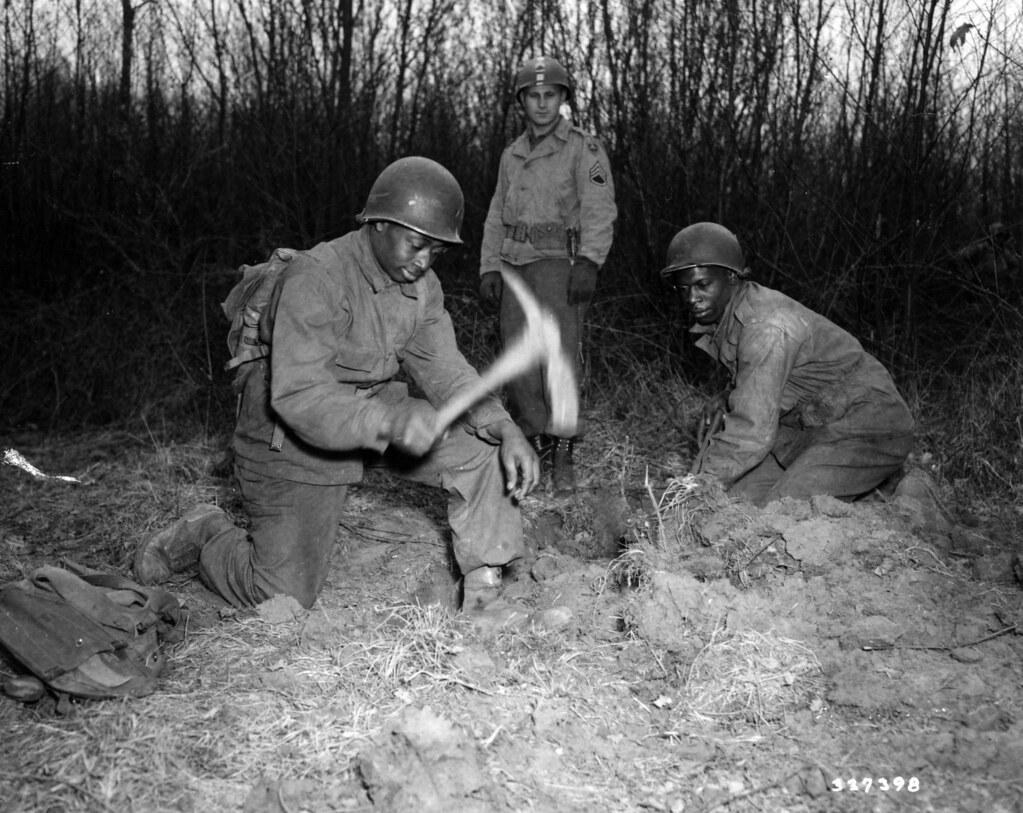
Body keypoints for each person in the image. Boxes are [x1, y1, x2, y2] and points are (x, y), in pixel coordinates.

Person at [135, 157, 539, 621]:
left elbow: (446, 369)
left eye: (436, 251)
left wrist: (504, 427)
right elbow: (300, 395)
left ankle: (485, 600)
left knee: (480, 448)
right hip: (288, 429)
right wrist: (390, 422)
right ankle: (206, 533)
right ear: (379, 225)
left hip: (368, 410)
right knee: (282, 597)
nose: (425, 260)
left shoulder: (423, 287)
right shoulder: (318, 277)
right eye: (416, 244)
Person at [661, 222, 915, 506]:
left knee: (780, 515)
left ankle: (913, 500)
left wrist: (692, 489)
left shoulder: (767, 326)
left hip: (868, 424)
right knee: (730, 506)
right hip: (810, 427)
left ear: (732, 277)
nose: (692, 298)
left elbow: (751, 431)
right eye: (683, 289)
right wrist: (727, 397)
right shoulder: (732, 315)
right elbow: (770, 386)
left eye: (702, 285)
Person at [479, 55, 617, 495]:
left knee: (558, 357)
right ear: (522, 101)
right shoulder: (511, 154)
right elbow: (495, 216)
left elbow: (599, 210)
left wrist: (591, 261)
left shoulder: (583, 148)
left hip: (560, 264)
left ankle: (564, 450)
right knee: (519, 358)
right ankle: (533, 439)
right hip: (515, 265)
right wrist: (488, 266)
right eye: (533, 96)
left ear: (563, 99)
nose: (541, 104)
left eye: (550, 95)